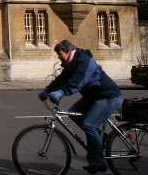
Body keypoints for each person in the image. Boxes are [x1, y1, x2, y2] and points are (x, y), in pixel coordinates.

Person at [38, 40, 122, 174]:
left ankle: (98, 162)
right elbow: (61, 79)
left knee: (89, 125)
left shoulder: (83, 61)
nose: (58, 57)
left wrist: (61, 92)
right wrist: (47, 90)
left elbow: (78, 81)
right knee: (73, 113)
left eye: (60, 54)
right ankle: (98, 141)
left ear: (69, 52)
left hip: (108, 97)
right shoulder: (71, 63)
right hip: (94, 97)